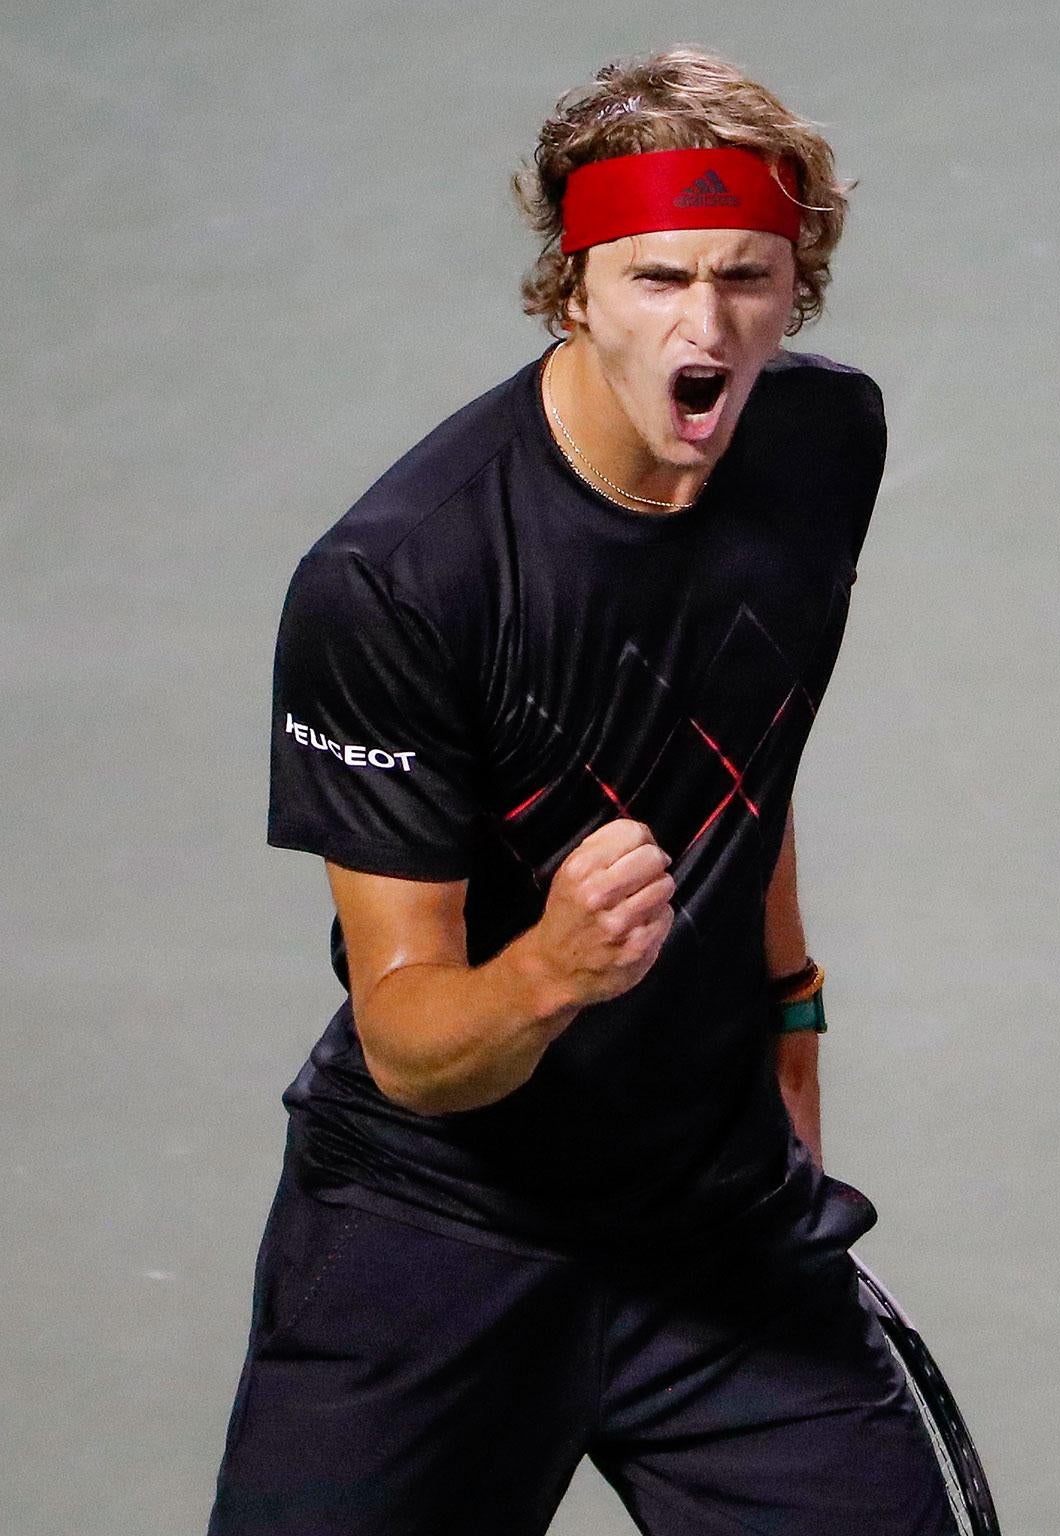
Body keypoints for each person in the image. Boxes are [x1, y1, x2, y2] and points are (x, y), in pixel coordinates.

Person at [206, 45, 960, 1536]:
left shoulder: (820, 441)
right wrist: (553, 970)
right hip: (434, 1234)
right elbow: (412, 1041)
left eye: (747, 277)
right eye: (658, 277)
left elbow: (754, 740)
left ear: (797, 282)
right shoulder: (397, 581)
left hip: (713, 1220)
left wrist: (790, 1008)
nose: (709, 322)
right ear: (573, 287)